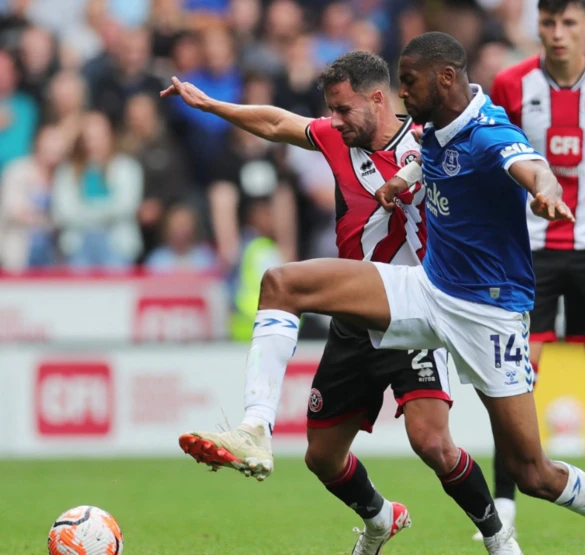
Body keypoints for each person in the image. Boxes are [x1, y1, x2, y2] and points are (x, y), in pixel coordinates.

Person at [162, 51, 522, 554]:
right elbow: (276, 121)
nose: (333, 121)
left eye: (342, 109)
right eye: (329, 110)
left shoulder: (428, 144)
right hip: (356, 320)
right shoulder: (336, 138)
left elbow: (493, 168)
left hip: (416, 312)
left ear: (378, 98)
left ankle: (498, 539)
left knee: (433, 444)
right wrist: (212, 105)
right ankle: (380, 518)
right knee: (322, 458)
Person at [485, 0, 585, 541]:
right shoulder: (510, 84)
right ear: (538, 26)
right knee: (516, 378)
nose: (557, 34)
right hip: (529, 254)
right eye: (548, 23)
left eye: (568, 23)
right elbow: (491, 163)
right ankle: (503, 504)